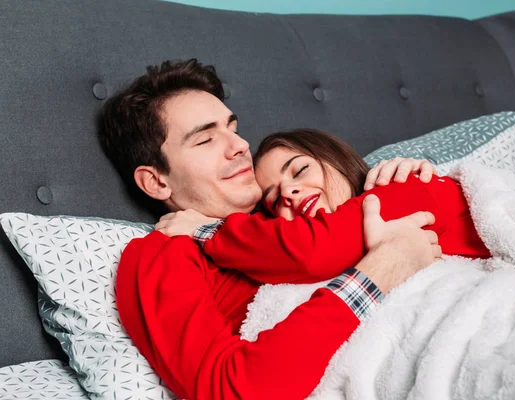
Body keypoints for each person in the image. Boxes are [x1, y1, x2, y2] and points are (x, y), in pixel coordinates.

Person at [101, 58, 441, 400]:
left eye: (232, 129)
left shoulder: (291, 210)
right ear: (156, 182)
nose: (240, 146)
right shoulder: (161, 254)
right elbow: (232, 390)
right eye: (205, 140)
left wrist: (400, 178)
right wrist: (381, 270)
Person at [157, 128, 490, 286]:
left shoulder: (402, 185)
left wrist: (205, 229)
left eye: (300, 170)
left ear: (335, 159)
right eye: (274, 200)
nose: (289, 192)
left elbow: (314, 248)